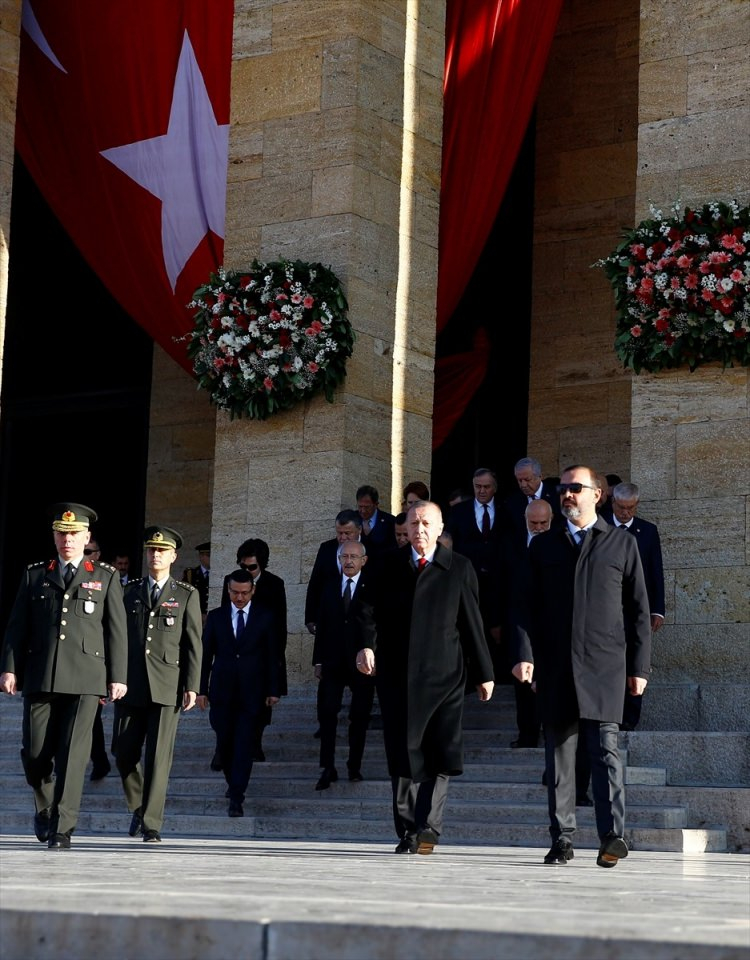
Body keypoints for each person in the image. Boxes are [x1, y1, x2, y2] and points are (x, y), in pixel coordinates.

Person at [511, 466, 652, 868]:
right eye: (563, 490)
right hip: (556, 667)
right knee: (559, 757)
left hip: (605, 668)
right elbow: (523, 607)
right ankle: (563, 839)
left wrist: (639, 666)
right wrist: (525, 654)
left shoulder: (621, 545)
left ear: (597, 494)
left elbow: (639, 611)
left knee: (606, 751)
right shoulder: (542, 547)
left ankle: (612, 837)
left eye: (575, 489)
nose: (567, 495)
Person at [356, 500, 494, 855]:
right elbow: (365, 611)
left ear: (439, 528)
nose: (419, 530)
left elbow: (472, 623)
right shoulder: (387, 564)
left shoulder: (458, 567)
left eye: (426, 524)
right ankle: (407, 830)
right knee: (402, 754)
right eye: (413, 524)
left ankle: (429, 825)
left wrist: (484, 673)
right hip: (397, 676)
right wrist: (366, 646)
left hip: (445, 676)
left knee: (440, 749)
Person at [0, 502, 128, 849]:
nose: (67, 539)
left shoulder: (105, 576)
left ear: (86, 537)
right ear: (54, 536)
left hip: (86, 678)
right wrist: (10, 667)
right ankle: (44, 807)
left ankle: (63, 826)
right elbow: (16, 627)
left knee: (73, 754)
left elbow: (116, 630)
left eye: (74, 534)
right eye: (61, 533)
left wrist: (118, 676)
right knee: (35, 752)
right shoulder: (36, 574)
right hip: (41, 675)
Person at [114, 525, 202, 842]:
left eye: (162, 551)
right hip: (131, 684)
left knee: (158, 758)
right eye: (151, 550)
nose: (156, 555)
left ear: (174, 556)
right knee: (123, 751)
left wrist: (193, 684)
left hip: (167, 685)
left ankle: (152, 823)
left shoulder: (185, 594)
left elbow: (193, 643)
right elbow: (116, 638)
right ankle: (138, 804)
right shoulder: (129, 591)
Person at [198, 569, 280, 817]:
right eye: (235, 592)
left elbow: (273, 656)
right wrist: (200, 690)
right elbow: (205, 656)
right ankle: (232, 784)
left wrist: (273, 690)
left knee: (244, 746)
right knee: (224, 744)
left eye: (245, 593)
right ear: (228, 590)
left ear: (253, 590)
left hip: (252, 693)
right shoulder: (216, 617)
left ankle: (237, 796)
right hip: (221, 692)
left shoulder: (265, 617)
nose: (240, 597)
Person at [313, 541, 376, 789]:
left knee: (359, 716)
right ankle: (327, 766)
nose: (349, 561)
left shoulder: (372, 587)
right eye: (344, 557)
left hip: (362, 663)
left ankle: (354, 766)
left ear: (364, 560)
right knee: (327, 714)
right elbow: (322, 626)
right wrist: (318, 661)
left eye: (354, 557)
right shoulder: (329, 588)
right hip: (332, 661)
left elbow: (377, 625)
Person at [605, 481, 665, 730]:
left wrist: (657, 609)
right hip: (606, 608)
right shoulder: (601, 526)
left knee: (636, 662)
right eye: (621, 507)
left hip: (636, 610)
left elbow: (655, 572)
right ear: (612, 503)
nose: (625, 513)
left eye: (630, 508)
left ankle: (630, 718)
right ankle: (608, 714)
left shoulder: (647, 531)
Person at [221, 537, 288, 761]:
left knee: (260, 707)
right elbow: (224, 619)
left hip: (262, 655)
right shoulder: (230, 582)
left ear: (262, 564)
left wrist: (276, 660)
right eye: (243, 566)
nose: (247, 571)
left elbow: (280, 625)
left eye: (252, 567)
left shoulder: (274, 584)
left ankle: (255, 744)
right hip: (238, 653)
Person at [444, 468, 505, 679]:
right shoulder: (460, 511)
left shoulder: (505, 510)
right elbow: (451, 543)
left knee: (497, 631)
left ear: (494, 488)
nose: (481, 491)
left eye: (486, 487)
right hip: (469, 581)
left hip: (498, 582)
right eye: (477, 487)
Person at [304, 509, 363, 635]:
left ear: (359, 530)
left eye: (347, 533)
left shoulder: (371, 549)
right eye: (339, 533)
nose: (342, 538)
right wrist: (310, 617)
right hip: (330, 619)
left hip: (359, 620)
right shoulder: (326, 548)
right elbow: (315, 583)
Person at [85, 535, 113, 782]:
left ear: (97, 554)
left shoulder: (107, 580)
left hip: (95, 664)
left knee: (91, 719)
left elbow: (113, 632)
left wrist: (108, 675)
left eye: (89, 551)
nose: (85, 555)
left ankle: (99, 761)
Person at [503, 457, 562, 545]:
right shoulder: (512, 502)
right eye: (519, 480)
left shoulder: (557, 496)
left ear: (540, 476)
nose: (523, 485)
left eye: (527, 480)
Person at [356, 484, 396, 556]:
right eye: (360, 506)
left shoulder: (390, 522)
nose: (363, 511)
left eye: (367, 507)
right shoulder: (352, 518)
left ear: (376, 504)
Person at [183, 541, 210, 621]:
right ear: (201, 556)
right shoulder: (191, 574)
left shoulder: (220, 574)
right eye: (209, 556)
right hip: (195, 617)